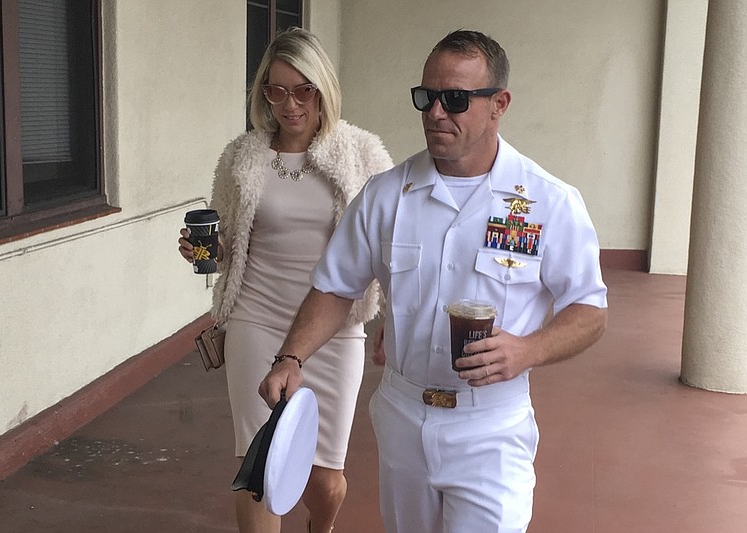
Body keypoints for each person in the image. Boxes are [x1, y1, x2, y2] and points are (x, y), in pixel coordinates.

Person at [258, 29, 608, 533]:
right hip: (402, 417)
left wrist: (528, 350)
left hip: (490, 426)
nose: (436, 113)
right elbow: (336, 287)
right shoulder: (386, 197)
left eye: (456, 100)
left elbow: (589, 310)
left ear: (499, 104)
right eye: (427, 98)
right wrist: (291, 356)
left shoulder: (546, 201)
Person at [178, 28, 392, 533]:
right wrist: (207, 251)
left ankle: (322, 524)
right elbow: (232, 238)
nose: (289, 104)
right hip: (256, 317)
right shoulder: (242, 157)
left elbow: (389, 242)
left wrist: (397, 318)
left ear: (324, 89)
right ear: (262, 93)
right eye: (276, 90)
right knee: (261, 467)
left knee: (325, 478)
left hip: (335, 327)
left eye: (303, 90)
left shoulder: (361, 154)